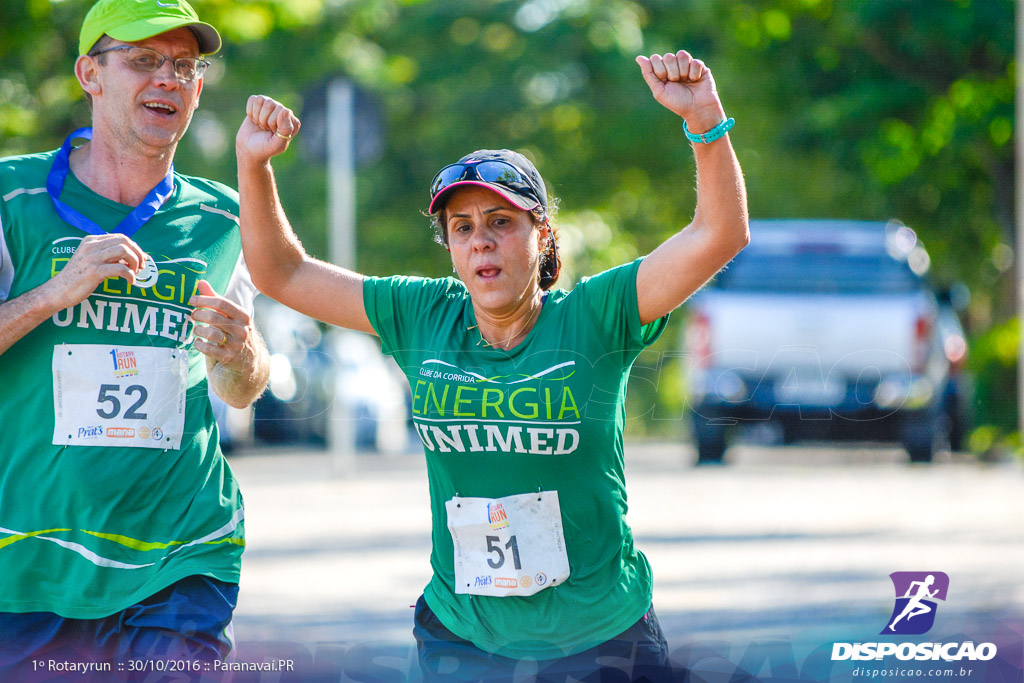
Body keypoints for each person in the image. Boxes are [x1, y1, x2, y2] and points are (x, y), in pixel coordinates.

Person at [235, 49, 747, 681]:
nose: (481, 239)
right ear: (449, 245)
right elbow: (280, 272)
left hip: (602, 639)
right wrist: (254, 165)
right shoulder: (424, 315)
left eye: (501, 222)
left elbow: (718, 234)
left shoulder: (593, 315)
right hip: (465, 638)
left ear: (542, 235)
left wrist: (706, 121)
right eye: (462, 226)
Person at [0, 0, 269, 674]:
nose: (168, 79)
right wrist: (52, 294)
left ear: (200, 88)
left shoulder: (227, 217)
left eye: (184, 66)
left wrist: (241, 355)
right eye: (144, 61)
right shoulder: (10, 198)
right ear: (90, 73)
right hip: (29, 555)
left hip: (182, 549)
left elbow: (241, 389)